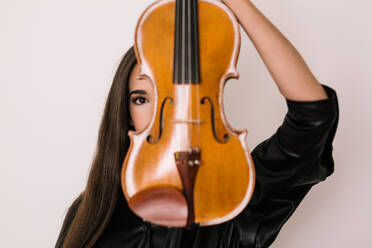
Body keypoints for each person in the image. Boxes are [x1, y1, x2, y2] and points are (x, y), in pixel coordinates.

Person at [55, 0, 339, 247]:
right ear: (126, 112)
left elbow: (313, 117)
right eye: (141, 99)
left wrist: (236, 3)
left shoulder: (230, 201)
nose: (165, 115)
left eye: (180, 95)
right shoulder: (88, 211)